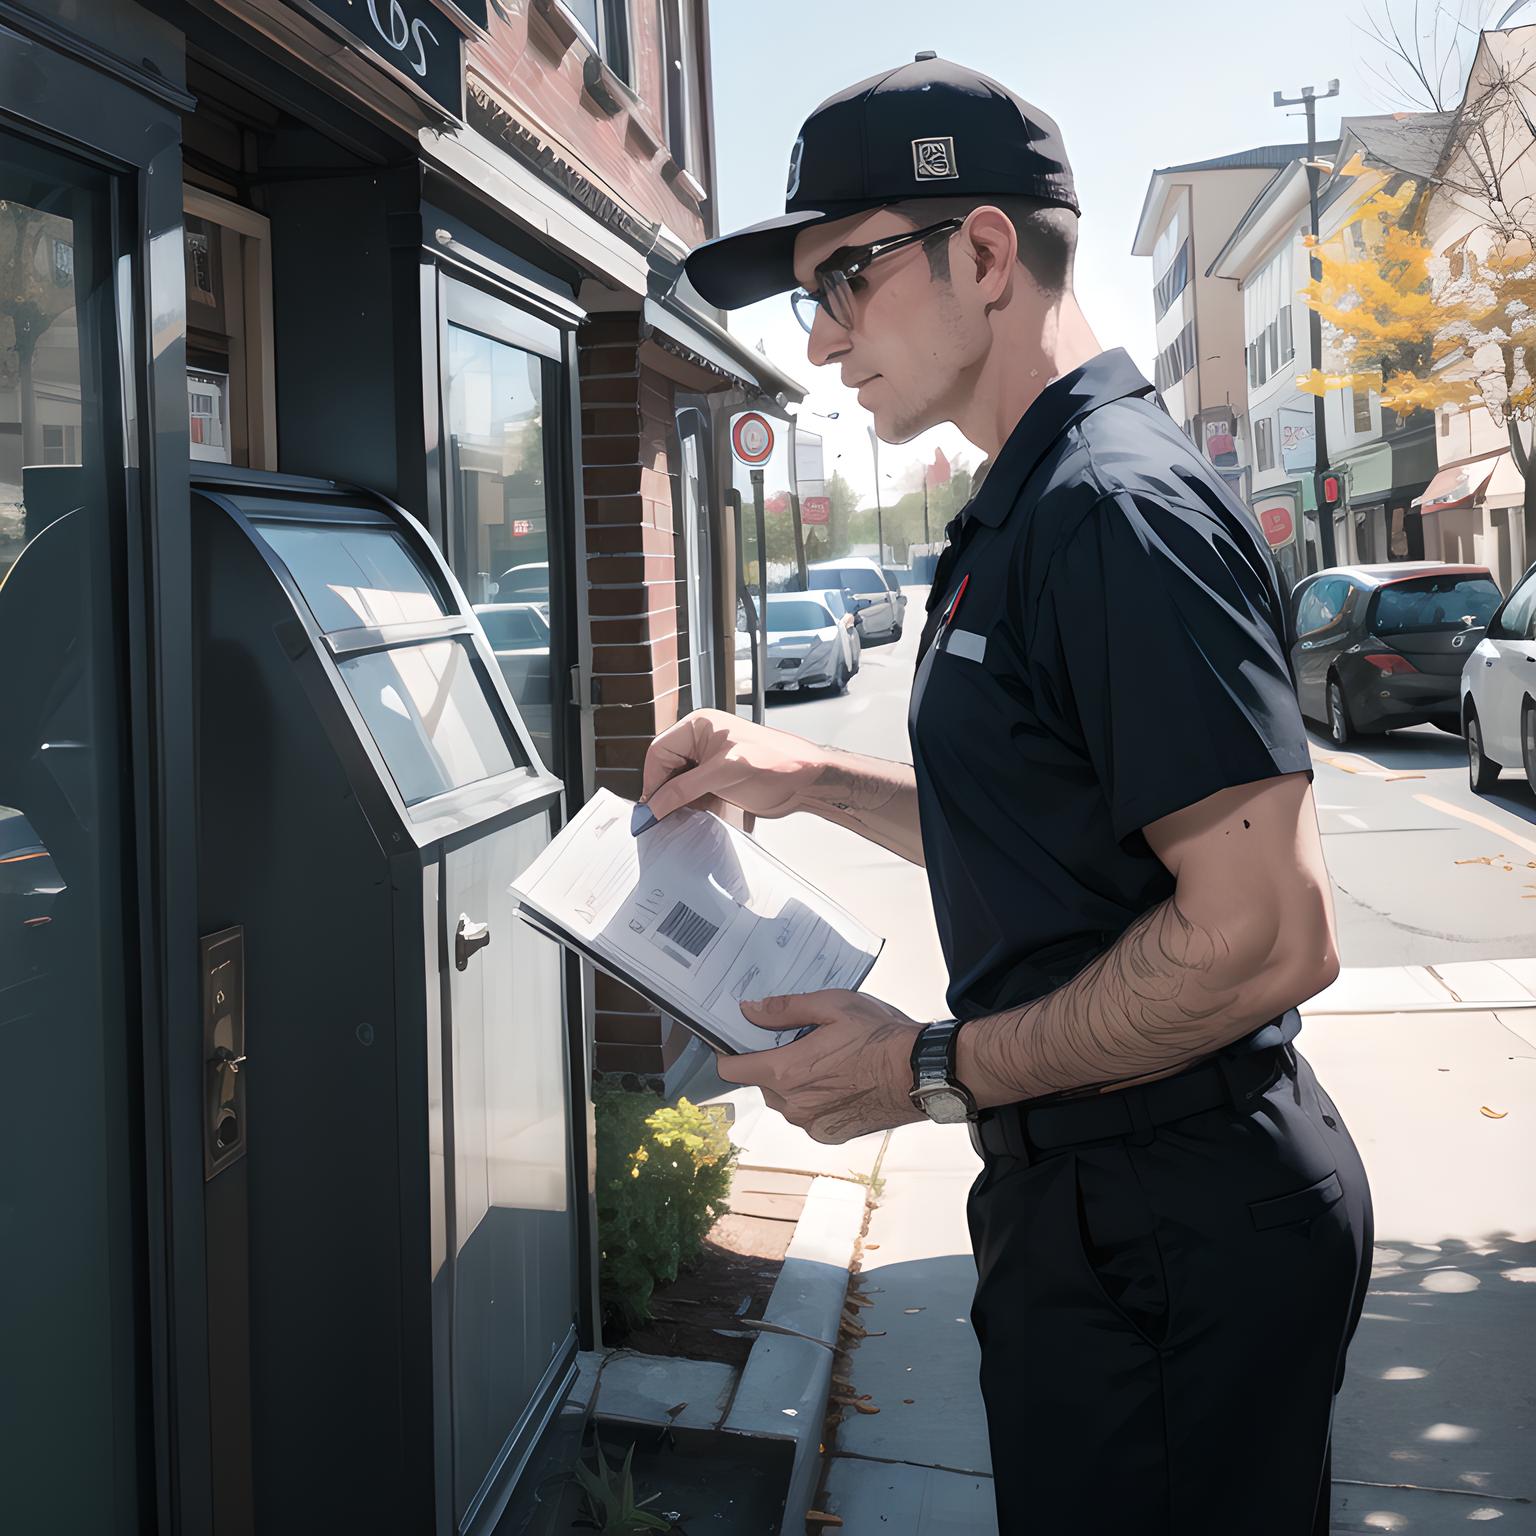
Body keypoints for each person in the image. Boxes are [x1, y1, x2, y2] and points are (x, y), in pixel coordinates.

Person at [645, 53, 1373, 1535]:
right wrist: (810, 780)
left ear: (982, 252)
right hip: (1101, 1214)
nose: (823, 335)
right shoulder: (1030, 499)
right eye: (810, 294)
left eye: (845, 276)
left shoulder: (1112, 505)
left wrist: (928, 1068)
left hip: (1172, 1215)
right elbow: (1066, 831)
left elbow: (1264, 936)